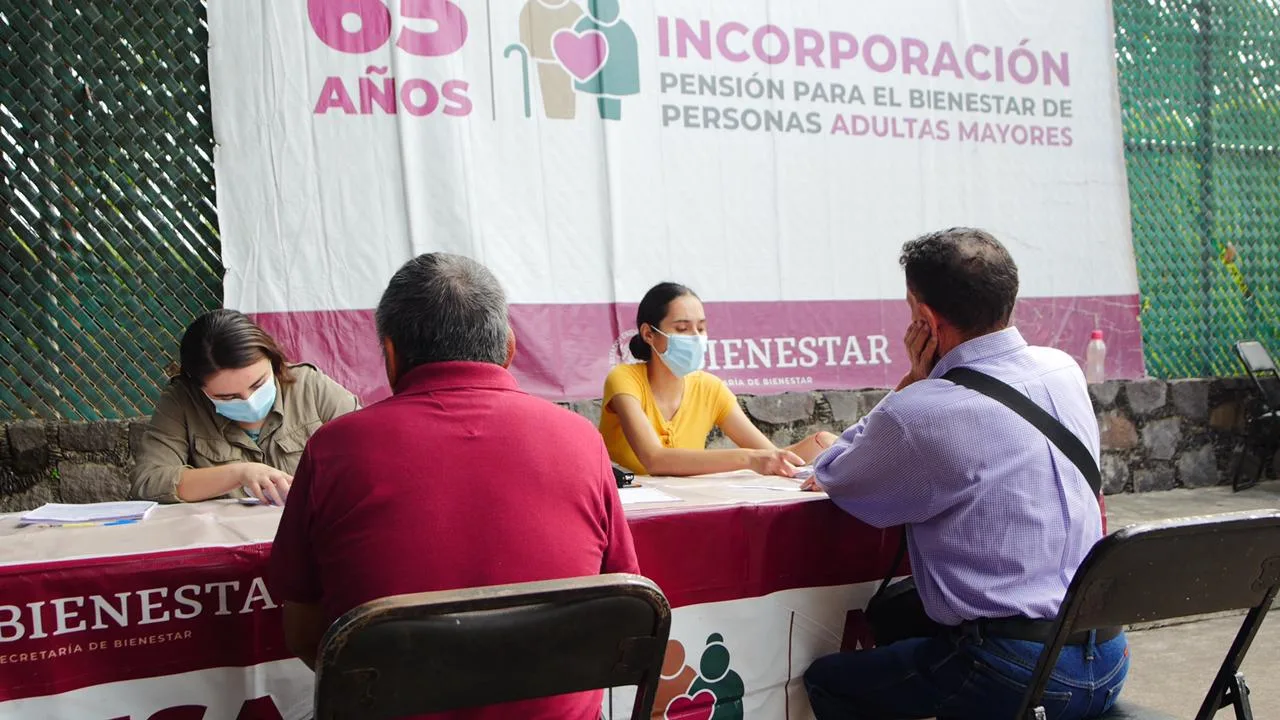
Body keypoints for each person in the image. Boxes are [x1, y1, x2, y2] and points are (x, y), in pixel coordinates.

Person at [269, 253, 639, 720]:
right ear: (509, 348)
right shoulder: (580, 439)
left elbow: (304, 633)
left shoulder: (334, 447)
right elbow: (622, 606)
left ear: (390, 355)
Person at [802, 228, 1127, 719]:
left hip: (1016, 673)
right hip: (1106, 658)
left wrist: (912, 382)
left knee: (829, 680)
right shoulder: (1062, 370)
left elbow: (836, 474)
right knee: (898, 613)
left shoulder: (922, 412)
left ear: (924, 319)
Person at [599, 282, 837, 478]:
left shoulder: (709, 388)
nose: (695, 338)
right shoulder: (624, 379)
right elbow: (654, 459)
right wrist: (749, 459)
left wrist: (821, 443)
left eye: (701, 328)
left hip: (686, 506)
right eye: (682, 329)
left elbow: (770, 455)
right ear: (649, 334)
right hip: (628, 510)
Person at [130, 309, 358, 505]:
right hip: (228, 538)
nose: (249, 400)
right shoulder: (182, 400)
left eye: (258, 384)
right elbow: (149, 482)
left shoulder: (308, 384)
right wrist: (240, 474)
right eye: (228, 397)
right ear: (199, 389)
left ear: (272, 360)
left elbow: (370, 446)